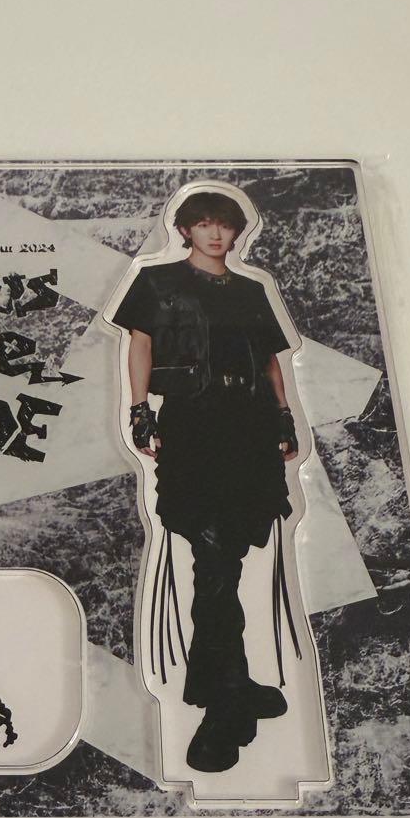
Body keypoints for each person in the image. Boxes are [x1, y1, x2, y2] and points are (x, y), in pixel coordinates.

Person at [111, 189, 301, 773]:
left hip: (248, 427)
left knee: (228, 562)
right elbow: (140, 343)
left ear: (238, 232)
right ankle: (222, 702)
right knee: (215, 565)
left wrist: (284, 417)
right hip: (195, 427)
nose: (216, 234)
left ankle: (229, 681)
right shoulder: (159, 281)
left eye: (225, 225)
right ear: (187, 229)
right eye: (204, 224)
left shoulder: (250, 290)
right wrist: (139, 411)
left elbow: (269, 360)